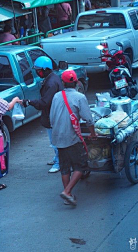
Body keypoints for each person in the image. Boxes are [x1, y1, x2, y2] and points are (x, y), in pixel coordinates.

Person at [50, 70, 97, 206]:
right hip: (72, 137)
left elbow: (52, 118)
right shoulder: (79, 97)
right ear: (76, 82)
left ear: (63, 83)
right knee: (81, 165)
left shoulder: (56, 96)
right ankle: (67, 191)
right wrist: (92, 133)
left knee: (65, 167)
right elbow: (88, 119)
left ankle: (67, 193)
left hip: (58, 137)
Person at [22, 56, 63, 173]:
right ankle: (57, 158)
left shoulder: (51, 83)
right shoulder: (51, 78)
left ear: (46, 69)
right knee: (54, 141)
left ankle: (58, 163)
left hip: (53, 115)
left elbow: (44, 102)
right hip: (51, 114)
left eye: (39, 70)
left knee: (55, 141)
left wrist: (30, 102)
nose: (37, 72)